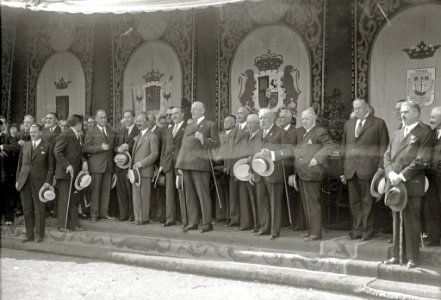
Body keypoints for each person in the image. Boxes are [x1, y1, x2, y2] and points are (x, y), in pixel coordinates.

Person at [383, 101, 432, 268]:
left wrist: (401, 176)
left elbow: (422, 160)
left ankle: (412, 257)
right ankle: (396, 255)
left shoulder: (424, 132)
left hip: (411, 183)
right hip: (395, 183)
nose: (402, 115)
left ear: (417, 113)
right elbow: (387, 156)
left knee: (411, 220)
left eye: (406, 112)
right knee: (396, 219)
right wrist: (390, 173)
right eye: (401, 112)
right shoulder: (397, 133)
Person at [340, 98, 389, 241]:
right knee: (354, 203)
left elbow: (383, 148)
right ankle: (357, 229)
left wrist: (381, 168)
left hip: (369, 170)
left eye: (359, 108)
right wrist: (343, 170)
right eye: (354, 108)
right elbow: (344, 147)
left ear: (367, 108)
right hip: (351, 170)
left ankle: (367, 230)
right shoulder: (349, 124)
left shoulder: (378, 123)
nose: (356, 111)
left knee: (368, 202)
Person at [176, 101, 219, 233]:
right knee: (189, 195)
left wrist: (203, 140)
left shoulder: (210, 124)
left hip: (200, 164)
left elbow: (216, 143)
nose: (192, 111)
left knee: (203, 194)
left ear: (203, 110)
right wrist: (179, 163)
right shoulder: (189, 126)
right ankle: (192, 222)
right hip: (186, 162)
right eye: (192, 109)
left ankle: (207, 223)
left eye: (195, 109)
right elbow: (183, 145)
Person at [294, 107, 334, 241]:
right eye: (302, 119)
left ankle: (316, 232)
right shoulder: (302, 133)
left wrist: (317, 159)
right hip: (302, 173)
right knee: (306, 203)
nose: (304, 121)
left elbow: (330, 146)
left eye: (307, 118)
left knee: (313, 203)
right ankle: (311, 228)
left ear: (314, 118)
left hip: (313, 173)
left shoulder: (319, 131)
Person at [252, 109, 287, 240]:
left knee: (274, 203)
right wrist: (252, 170)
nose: (262, 121)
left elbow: (288, 150)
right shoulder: (258, 133)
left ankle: (274, 230)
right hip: (259, 172)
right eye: (260, 118)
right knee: (262, 201)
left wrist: (272, 155)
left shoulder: (281, 132)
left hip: (274, 172)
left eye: (265, 118)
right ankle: (264, 227)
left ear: (272, 118)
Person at [15, 124, 54, 242]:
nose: (32, 134)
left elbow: (51, 167)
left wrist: (48, 182)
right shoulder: (25, 145)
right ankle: (29, 235)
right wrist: (18, 180)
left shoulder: (47, 146)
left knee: (39, 208)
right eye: (31, 132)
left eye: (35, 132)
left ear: (41, 133)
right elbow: (20, 164)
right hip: (24, 180)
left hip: (40, 182)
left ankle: (39, 235)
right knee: (27, 208)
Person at [53, 114, 87, 232]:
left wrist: (84, 161)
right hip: (65, 174)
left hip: (74, 174)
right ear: (78, 124)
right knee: (64, 199)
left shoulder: (77, 136)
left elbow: (78, 153)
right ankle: (62, 225)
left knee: (73, 199)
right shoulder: (66, 134)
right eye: (81, 123)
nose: (82, 126)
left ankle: (73, 224)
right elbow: (57, 151)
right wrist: (67, 165)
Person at [83, 110, 116, 222]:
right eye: (101, 117)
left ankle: (104, 213)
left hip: (108, 165)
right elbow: (86, 148)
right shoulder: (90, 132)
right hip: (96, 165)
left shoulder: (111, 131)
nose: (104, 119)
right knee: (95, 191)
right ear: (96, 119)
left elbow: (114, 147)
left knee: (106, 190)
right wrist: (100, 148)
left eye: (105, 117)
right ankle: (94, 214)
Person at [277, 109, 305, 231]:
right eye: (279, 117)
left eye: (282, 117)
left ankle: (296, 222)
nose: (280, 119)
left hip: (291, 168)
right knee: (281, 195)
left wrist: (294, 173)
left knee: (292, 196)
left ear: (289, 119)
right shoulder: (278, 131)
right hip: (279, 168)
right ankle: (284, 221)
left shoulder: (296, 132)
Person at [160, 107, 186, 227]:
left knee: (182, 191)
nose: (174, 116)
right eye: (172, 114)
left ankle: (185, 219)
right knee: (169, 193)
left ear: (182, 115)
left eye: (176, 114)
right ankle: (170, 219)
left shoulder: (187, 128)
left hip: (181, 164)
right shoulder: (168, 130)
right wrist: (162, 164)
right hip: (168, 164)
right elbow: (164, 149)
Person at [131, 112, 159, 225]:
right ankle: (138, 218)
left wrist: (141, 163)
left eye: (141, 121)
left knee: (144, 196)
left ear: (147, 123)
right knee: (136, 197)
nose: (138, 123)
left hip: (145, 171)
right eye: (137, 121)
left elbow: (154, 154)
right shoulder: (137, 137)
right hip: (135, 172)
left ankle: (144, 218)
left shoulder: (152, 136)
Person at [225, 106, 250, 228]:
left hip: (243, 167)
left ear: (247, 115)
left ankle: (245, 222)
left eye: (241, 113)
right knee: (233, 196)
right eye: (238, 113)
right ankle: (234, 219)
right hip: (232, 167)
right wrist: (227, 165)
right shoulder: (234, 130)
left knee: (243, 196)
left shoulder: (250, 128)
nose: (239, 115)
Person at [114, 110, 139, 222]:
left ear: (133, 118)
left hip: (131, 165)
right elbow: (115, 146)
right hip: (120, 166)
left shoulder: (138, 130)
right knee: (121, 190)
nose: (127, 119)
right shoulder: (122, 130)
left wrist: (128, 146)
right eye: (125, 117)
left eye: (129, 117)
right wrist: (118, 149)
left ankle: (132, 215)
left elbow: (139, 145)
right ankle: (123, 214)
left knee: (131, 190)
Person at [212, 115, 236, 223]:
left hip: (229, 164)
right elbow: (214, 148)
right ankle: (220, 214)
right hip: (218, 164)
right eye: (225, 121)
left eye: (229, 121)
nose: (226, 123)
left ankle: (229, 216)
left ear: (234, 123)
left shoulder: (235, 134)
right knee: (220, 191)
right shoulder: (220, 135)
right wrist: (215, 157)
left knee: (230, 192)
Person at [240, 114, 262, 233]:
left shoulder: (260, 135)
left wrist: (253, 171)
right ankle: (254, 223)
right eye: (247, 123)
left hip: (256, 172)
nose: (248, 125)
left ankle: (259, 224)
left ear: (258, 124)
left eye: (251, 123)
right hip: (246, 171)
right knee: (251, 199)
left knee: (258, 200)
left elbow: (257, 154)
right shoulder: (247, 136)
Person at [424, 106, 441, 246]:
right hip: (432, 178)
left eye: (434, 117)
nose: (430, 120)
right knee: (432, 207)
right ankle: (433, 237)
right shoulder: (432, 135)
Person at [1, 120, 20, 225]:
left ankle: (8, 218)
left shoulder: (7, 137)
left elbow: (17, 147)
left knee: (6, 195)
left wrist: (2, 147)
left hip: (6, 171)